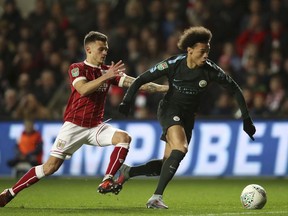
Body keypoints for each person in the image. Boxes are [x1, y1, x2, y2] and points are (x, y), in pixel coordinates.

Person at [0, 31, 168, 207]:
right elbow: (83, 89)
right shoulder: (77, 68)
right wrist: (107, 76)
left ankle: (107, 179)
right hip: (74, 126)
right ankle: (9, 193)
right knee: (50, 167)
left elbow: (139, 84)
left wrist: (166, 89)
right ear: (88, 49)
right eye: (101, 49)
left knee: (124, 138)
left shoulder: (106, 72)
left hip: (95, 126)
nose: (104, 53)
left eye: (106, 49)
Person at [117, 26, 256, 209]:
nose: (206, 55)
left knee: (166, 164)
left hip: (188, 117)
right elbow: (142, 78)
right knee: (181, 148)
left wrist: (246, 119)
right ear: (189, 50)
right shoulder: (173, 64)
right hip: (169, 110)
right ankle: (156, 197)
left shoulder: (210, 70)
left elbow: (235, 90)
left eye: (208, 51)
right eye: (202, 51)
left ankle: (128, 171)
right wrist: (126, 101)